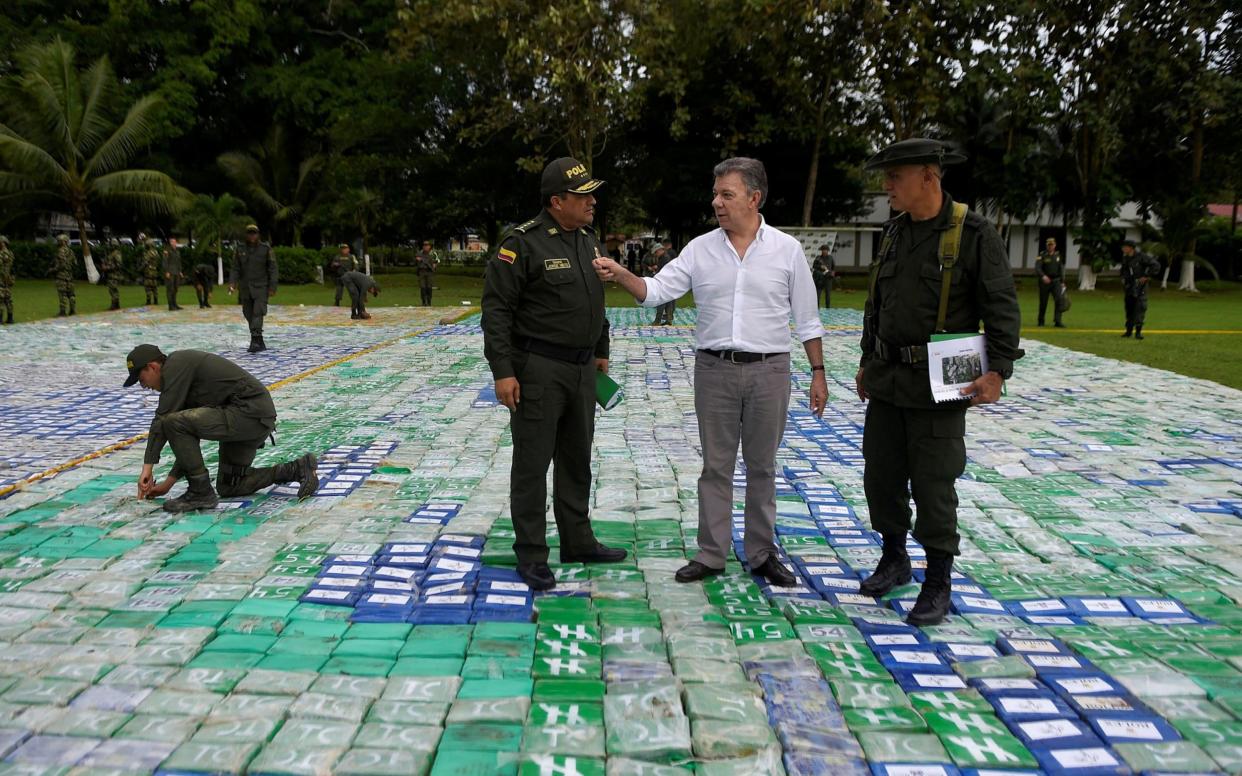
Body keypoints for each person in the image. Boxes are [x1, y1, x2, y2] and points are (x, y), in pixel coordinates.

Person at [593, 157, 828, 588]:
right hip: (715, 371)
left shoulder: (787, 250)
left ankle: (761, 554)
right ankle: (711, 553)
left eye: (727, 195)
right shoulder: (700, 249)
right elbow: (657, 291)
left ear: (754, 199)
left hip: (769, 371)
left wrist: (818, 371)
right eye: (715, 194)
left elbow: (807, 318)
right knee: (716, 467)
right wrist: (623, 273)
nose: (716, 203)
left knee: (762, 467)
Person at [854, 138, 1023, 626]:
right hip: (887, 380)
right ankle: (894, 558)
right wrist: (868, 359)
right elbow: (876, 306)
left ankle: (937, 581)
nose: (887, 185)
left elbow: (1001, 305)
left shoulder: (973, 233)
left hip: (940, 383)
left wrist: (998, 370)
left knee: (933, 484)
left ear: (930, 175)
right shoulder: (892, 233)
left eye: (896, 176)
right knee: (881, 477)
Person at [481, 156, 627, 591]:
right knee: (532, 464)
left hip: (582, 369)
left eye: (591, 194)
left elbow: (594, 299)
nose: (592, 202)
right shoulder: (522, 244)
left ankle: (577, 540)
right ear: (556, 201)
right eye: (583, 196)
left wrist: (600, 349)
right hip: (538, 369)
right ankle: (531, 553)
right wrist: (503, 371)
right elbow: (497, 311)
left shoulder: (587, 240)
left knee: (576, 459)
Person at [124, 344, 318, 513]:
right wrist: (168, 484)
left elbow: (164, 420)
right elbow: (186, 443)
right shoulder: (181, 382)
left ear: (153, 367)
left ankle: (200, 492)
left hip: (247, 412)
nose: (144, 386)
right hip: (251, 418)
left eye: (141, 380)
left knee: (173, 421)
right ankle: (296, 469)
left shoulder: (177, 364)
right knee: (231, 486)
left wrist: (147, 467)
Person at [229, 224, 278, 353]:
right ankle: (259, 339)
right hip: (245, 288)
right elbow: (235, 268)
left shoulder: (265, 249)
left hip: (261, 287)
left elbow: (272, 268)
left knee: (258, 312)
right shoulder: (240, 249)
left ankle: (255, 340)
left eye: (254, 233)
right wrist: (232, 283)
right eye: (249, 233)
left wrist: (273, 286)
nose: (252, 236)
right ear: (246, 235)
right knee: (248, 313)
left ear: (258, 235)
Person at [1119, 239, 1160, 340]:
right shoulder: (1125, 258)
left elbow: (1155, 265)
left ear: (1131, 248)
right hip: (1129, 285)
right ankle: (1128, 331)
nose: (1123, 249)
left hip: (1139, 284)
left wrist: (1146, 276)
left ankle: (1138, 332)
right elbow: (1124, 270)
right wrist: (1123, 278)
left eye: (1125, 247)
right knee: (1129, 308)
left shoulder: (1141, 257)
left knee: (1140, 307)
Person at [1036, 237, 1066, 328]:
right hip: (1045, 282)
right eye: (1049, 245)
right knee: (1043, 302)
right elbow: (1038, 268)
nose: (1050, 246)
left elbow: (1061, 269)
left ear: (1055, 245)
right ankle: (1041, 321)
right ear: (1046, 245)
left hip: (1056, 281)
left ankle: (1058, 321)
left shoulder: (1058, 256)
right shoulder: (1042, 255)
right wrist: (1043, 276)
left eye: (1052, 245)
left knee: (1059, 300)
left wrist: (1062, 281)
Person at [653, 245, 678, 325]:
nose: (655, 254)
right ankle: (669, 320)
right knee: (668, 301)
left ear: (660, 250)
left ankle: (658, 321)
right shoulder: (664, 257)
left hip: (665, 282)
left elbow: (664, 272)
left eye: (656, 252)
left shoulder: (665, 258)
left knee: (661, 301)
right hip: (669, 282)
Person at [53, 234, 76, 317]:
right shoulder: (71, 251)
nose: (58, 242)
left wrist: (53, 270)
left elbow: (61, 264)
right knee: (71, 294)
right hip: (70, 275)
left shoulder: (60, 251)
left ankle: (63, 312)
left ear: (63, 242)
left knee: (62, 294)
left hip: (61, 276)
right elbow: (75, 263)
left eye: (59, 241)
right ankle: (72, 310)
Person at [101, 239, 123, 311]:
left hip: (114, 274)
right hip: (111, 274)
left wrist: (107, 268)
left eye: (111, 245)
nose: (109, 246)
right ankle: (116, 305)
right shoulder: (111, 253)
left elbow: (118, 265)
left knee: (113, 290)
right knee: (112, 290)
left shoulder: (116, 254)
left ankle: (114, 305)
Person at [163, 239, 184, 311]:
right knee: (170, 289)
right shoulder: (167, 251)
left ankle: (175, 304)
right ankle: (170, 305)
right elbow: (165, 261)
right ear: (170, 243)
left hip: (177, 272)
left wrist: (180, 271)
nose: (174, 243)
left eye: (175, 242)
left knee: (175, 289)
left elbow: (179, 262)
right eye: (172, 242)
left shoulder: (177, 252)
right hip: (170, 272)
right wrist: (167, 271)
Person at [415, 241, 438, 306]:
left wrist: (434, 265)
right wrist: (419, 260)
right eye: (424, 245)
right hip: (422, 271)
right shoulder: (419, 253)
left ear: (429, 246)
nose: (425, 247)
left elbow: (436, 260)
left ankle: (429, 301)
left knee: (429, 287)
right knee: (423, 287)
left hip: (429, 272)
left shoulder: (433, 254)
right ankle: (423, 301)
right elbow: (417, 258)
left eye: (427, 245)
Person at [141, 236, 160, 306]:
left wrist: (140, 268)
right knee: (154, 286)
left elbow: (145, 262)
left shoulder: (148, 253)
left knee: (148, 286)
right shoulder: (156, 252)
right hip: (154, 271)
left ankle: (148, 300)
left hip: (148, 271)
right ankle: (156, 300)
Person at [0, 236, 14, 324]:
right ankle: (10, 318)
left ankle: (0, 319)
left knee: (0, 299)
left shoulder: (1, 253)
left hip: (1, 278)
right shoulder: (10, 253)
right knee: (8, 298)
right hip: (7, 278)